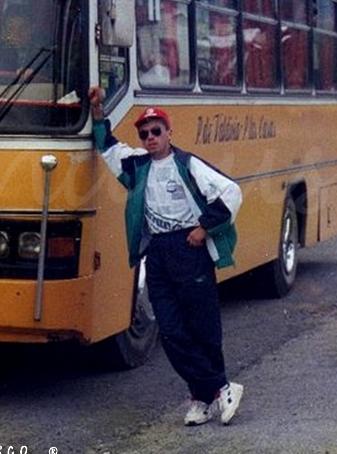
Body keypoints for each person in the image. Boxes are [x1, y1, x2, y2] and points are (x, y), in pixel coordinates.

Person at [88, 86, 244, 426]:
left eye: (156, 131)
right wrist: (98, 111)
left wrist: (204, 228)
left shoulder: (187, 164)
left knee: (203, 326)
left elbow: (230, 193)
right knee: (171, 330)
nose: (150, 137)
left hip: (189, 248)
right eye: (144, 133)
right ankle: (216, 389)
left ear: (169, 133)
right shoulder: (136, 167)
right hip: (157, 252)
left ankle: (204, 396)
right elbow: (108, 147)